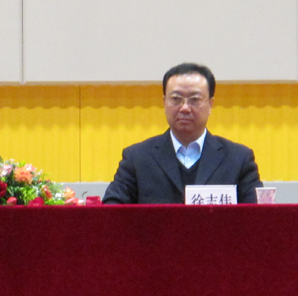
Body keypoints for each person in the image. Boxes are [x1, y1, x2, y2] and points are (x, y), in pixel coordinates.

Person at [102, 63, 262, 204]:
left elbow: (257, 217)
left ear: (210, 104)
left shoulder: (238, 159)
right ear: (164, 102)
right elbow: (111, 210)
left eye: (195, 99)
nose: (185, 108)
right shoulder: (137, 158)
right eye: (176, 99)